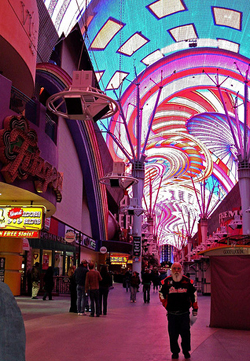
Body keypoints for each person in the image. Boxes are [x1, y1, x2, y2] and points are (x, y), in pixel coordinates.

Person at [159, 262, 198, 360]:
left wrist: (195, 308)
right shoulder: (166, 282)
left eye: (178, 268)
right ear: (171, 270)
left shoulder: (187, 282)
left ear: (181, 270)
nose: (176, 271)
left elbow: (194, 295)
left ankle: (186, 351)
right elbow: (161, 293)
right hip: (172, 314)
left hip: (184, 314)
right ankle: (175, 352)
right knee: (173, 334)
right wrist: (166, 304)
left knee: (185, 334)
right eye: (175, 268)